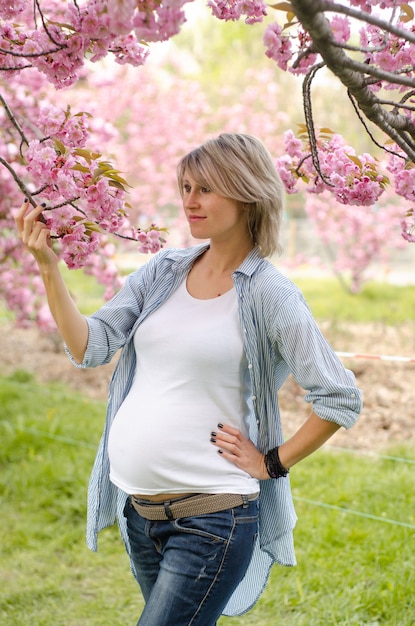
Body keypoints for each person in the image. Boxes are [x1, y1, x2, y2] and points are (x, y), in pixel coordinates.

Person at [16, 132, 362, 625]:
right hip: (142, 516)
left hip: (213, 519)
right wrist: (48, 267)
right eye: (184, 187)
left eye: (205, 189)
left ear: (246, 193)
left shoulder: (270, 294)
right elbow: (89, 347)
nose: (189, 202)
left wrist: (272, 463)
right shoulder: (164, 271)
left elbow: (339, 397)